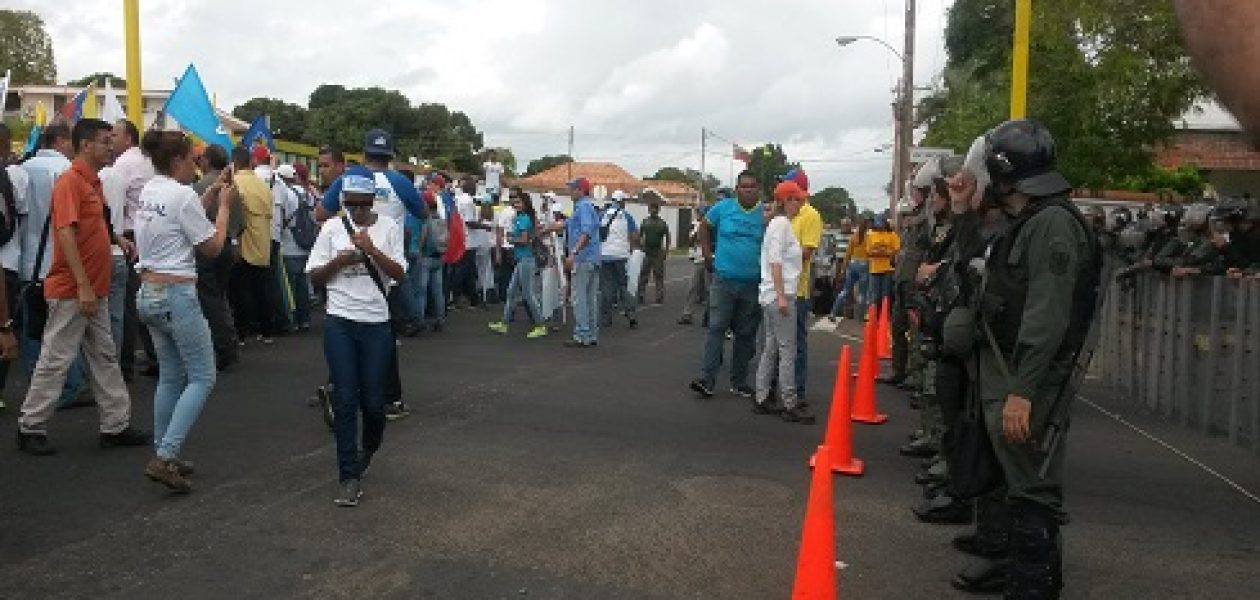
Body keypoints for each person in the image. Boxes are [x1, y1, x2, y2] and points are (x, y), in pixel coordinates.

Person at [952, 119, 1101, 599]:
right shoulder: (1032, 220)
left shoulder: (1052, 224)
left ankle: (1033, 586)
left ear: (1004, 172)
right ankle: (1017, 571)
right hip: (1012, 366)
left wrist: (1021, 391)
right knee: (1015, 477)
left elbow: (1046, 315)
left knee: (1031, 483)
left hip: (1029, 374)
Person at [16, 118, 151, 456]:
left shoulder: (93, 183)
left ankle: (115, 424)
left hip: (94, 287)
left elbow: (96, 224)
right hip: (74, 289)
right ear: (86, 145)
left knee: (103, 356)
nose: (111, 146)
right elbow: (65, 233)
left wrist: (116, 237)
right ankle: (30, 425)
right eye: (106, 141)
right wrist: (82, 285)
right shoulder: (70, 183)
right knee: (56, 358)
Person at [134, 130, 235, 492]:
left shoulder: (151, 190)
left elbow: (183, 212)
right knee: (202, 376)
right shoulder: (179, 196)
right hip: (176, 294)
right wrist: (223, 208)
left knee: (171, 376)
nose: (196, 165)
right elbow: (212, 246)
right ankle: (166, 455)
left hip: (148, 291)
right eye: (192, 159)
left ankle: (164, 452)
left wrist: (209, 194)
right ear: (178, 160)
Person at [306, 173, 406, 507]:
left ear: (373, 201)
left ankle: (370, 446)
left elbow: (400, 273)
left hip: (376, 323)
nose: (357, 212)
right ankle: (348, 477)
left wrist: (371, 249)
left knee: (374, 403)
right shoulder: (332, 229)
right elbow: (315, 277)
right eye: (351, 205)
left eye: (363, 205)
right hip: (340, 321)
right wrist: (340, 259)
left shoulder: (389, 227)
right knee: (346, 399)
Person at [316, 129, 427, 422]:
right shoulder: (401, 181)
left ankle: (339, 388)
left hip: (347, 262)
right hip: (385, 264)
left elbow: (320, 214)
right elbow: (424, 212)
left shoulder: (347, 179)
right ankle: (388, 399)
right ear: (390, 156)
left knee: (345, 327)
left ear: (364, 153)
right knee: (382, 333)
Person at [16, 124, 90, 408]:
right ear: (60, 140)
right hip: (63, 261)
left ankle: (41, 389)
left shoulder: (23, 169)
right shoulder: (71, 172)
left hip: (30, 260)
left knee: (35, 331)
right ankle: (70, 386)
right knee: (65, 332)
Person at [688, 170, 765, 398]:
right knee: (716, 328)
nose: (748, 190)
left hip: (753, 282)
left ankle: (738, 381)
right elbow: (704, 226)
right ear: (737, 188)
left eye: (752, 186)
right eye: (744, 186)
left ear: (758, 188)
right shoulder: (723, 208)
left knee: (746, 334)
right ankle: (706, 379)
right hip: (724, 279)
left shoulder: (765, 213)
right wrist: (707, 253)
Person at [753, 181, 814, 423]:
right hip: (780, 294)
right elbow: (776, 261)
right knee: (788, 350)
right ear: (786, 200)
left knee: (772, 347)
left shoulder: (777, 225)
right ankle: (790, 403)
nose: (800, 204)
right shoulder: (780, 225)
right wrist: (781, 295)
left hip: (771, 294)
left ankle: (762, 396)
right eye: (797, 199)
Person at [114, 118, 157, 380]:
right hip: (148, 235)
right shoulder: (146, 161)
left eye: (115, 135)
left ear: (128, 138)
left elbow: (115, 203)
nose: (111, 140)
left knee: (130, 304)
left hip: (130, 236)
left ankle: (126, 363)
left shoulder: (123, 164)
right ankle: (155, 355)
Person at [192, 144, 241, 370]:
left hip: (209, 246)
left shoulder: (202, 186)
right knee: (220, 298)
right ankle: (229, 344)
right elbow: (242, 222)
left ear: (207, 160)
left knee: (209, 300)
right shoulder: (234, 188)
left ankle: (221, 349)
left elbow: (192, 218)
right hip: (229, 245)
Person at [228, 146, 282, 343]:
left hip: (243, 244)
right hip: (263, 243)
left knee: (240, 292)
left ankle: (241, 334)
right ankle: (267, 332)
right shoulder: (262, 185)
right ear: (251, 162)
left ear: (234, 163)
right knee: (262, 290)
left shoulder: (236, 183)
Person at [784, 169, 822, 402]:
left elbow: (806, 252)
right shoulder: (786, 213)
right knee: (777, 343)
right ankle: (779, 387)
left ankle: (797, 391)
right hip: (779, 288)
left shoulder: (810, 215)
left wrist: (778, 256)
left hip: (797, 290)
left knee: (796, 342)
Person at [488, 191, 548, 338]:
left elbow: (523, 240)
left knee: (528, 294)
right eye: (514, 202)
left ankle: (540, 325)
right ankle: (504, 323)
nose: (516, 204)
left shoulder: (523, 218)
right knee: (511, 292)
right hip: (523, 259)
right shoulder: (524, 217)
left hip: (526, 258)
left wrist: (510, 239)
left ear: (525, 203)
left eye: (518, 202)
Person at [563, 177, 601, 348]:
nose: (569, 192)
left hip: (583, 258)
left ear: (579, 190)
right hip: (593, 258)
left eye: (572, 189)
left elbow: (585, 232)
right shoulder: (587, 207)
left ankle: (582, 334)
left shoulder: (583, 207)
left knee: (579, 298)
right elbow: (574, 225)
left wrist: (573, 252)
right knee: (590, 298)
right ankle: (591, 334)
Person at [276, 164, 313, 331]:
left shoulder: (286, 194)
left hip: (290, 244)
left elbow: (281, 218)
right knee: (302, 284)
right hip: (305, 243)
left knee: (291, 285)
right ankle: (305, 319)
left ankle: (294, 320)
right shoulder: (307, 193)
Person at [598, 190, 639, 328]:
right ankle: (631, 314)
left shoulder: (602, 215)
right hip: (621, 255)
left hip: (605, 255)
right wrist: (630, 249)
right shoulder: (627, 216)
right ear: (621, 201)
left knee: (606, 287)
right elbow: (634, 236)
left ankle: (606, 318)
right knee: (623, 285)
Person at [828, 218, 870, 321]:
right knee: (862, 293)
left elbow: (847, 254)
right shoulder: (869, 238)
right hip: (864, 265)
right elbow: (870, 253)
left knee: (845, 290)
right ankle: (861, 316)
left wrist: (843, 269)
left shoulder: (853, 237)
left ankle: (833, 312)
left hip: (852, 264)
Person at [677, 204, 711, 325]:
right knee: (692, 288)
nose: (698, 215)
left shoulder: (712, 225)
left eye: (700, 213)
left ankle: (709, 316)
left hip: (708, 260)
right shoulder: (695, 225)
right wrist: (698, 231)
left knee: (709, 290)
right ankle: (687, 314)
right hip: (697, 260)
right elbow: (691, 241)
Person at [637, 201, 671, 305]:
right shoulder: (645, 222)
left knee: (659, 275)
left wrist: (666, 251)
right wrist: (640, 247)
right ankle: (641, 295)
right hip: (647, 252)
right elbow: (640, 235)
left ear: (658, 210)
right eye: (651, 208)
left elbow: (668, 237)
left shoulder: (662, 223)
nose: (653, 211)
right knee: (643, 275)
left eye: (655, 209)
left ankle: (659, 296)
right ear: (649, 210)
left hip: (658, 253)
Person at [864, 214, 900, 311]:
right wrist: (884, 253)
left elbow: (896, 251)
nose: (880, 226)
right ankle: (873, 316)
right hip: (875, 269)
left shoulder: (892, 235)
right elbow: (868, 252)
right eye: (878, 224)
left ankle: (884, 316)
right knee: (875, 294)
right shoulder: (870, 235)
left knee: (885, 294)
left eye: (882, 224)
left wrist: (883, 253)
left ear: (885, 223)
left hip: (888, 269)